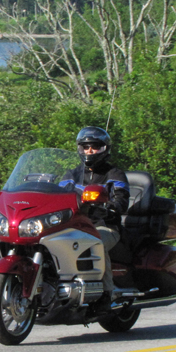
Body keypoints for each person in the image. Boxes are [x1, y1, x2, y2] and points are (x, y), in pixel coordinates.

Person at [60, 126, 130, 310]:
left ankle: (107, 294)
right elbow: (59, 195)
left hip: (105, 226)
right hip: (74, 226)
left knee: (95, 242)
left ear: (104, 148)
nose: (89, 151)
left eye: (94, 147)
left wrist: (108, 208)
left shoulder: (114, 173)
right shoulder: (71, 174)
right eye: (86, 147)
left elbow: (122, 201)